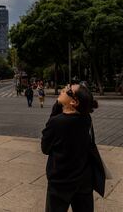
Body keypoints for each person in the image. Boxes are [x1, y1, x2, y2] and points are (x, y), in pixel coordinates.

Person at [41, 83, 103, 212]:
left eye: (68, 90)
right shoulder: (87, 119)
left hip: (60, 181)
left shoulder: (57, 122)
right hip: (84, 179)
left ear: (74, 102)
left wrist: (56, 106)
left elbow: (45, 148)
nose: (64, 89)